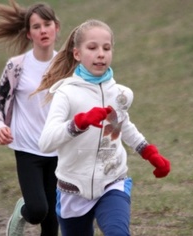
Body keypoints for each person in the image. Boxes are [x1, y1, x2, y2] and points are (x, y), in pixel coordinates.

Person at [35, 19, 171, 236]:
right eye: (92, 48)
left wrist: (150, 153)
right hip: (73, 189)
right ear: (77, 54)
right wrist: (78, 124)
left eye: (106, 48)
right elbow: (46, 142)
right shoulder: (65, 93)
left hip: (112, 181)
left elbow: (123, 125)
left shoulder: (120, 94)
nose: (101, 54)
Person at [0, 1, 60, 235]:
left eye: (47, 24)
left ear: (56, 28)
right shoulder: (17, 66)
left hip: (58, 150)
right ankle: (23, 211)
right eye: (37, 26)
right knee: (38, 209)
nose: (43, 30)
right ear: (29, 34)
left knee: (52, 221)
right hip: (27, 149)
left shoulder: (67, 65)